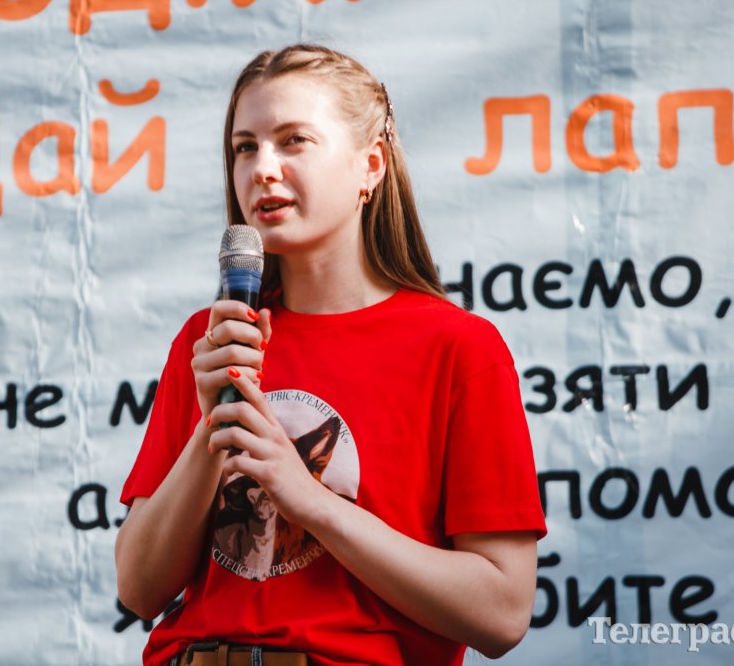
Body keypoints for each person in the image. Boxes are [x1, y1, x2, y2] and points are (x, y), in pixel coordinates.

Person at [115, 44, 547, 666]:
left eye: (293, 140)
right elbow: (138, 588)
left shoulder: (458, 349)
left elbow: (502, 613)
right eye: (245, 147)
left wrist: (312, 501)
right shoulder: (209, 341)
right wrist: (213, 426)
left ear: (370, 165)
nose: (262, 169)